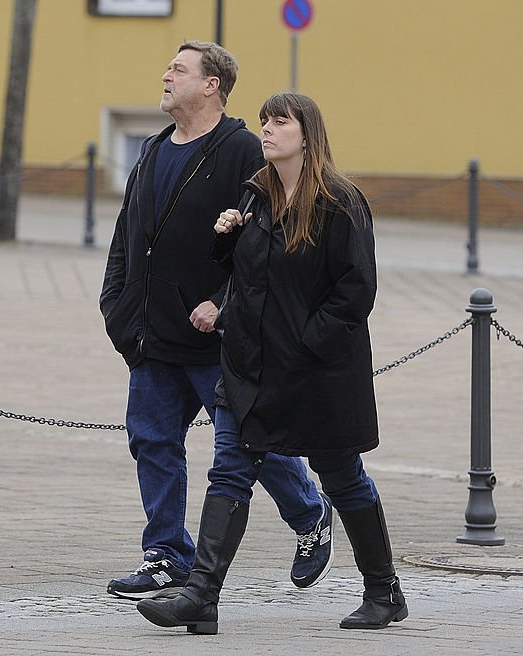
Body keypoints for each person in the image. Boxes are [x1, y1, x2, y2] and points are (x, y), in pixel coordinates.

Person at [136, 92, 408, 634]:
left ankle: (384, 592)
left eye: (279, 122)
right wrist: (226, 241)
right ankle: (201, 596)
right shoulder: (257, 196)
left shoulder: (339, 201)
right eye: (264, 121)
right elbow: (249, 276)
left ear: (307, 134)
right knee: (231, 468)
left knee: (341, 477)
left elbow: (355, 291)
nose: (267, 129)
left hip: (316, 371)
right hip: (248, 365)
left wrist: (308, 342)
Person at [99, 43, 334, 601]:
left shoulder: (242, 151)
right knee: (152, 440)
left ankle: (311, 514)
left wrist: (222, 304)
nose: (165, 76)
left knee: (254, 443)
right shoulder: (153, 149)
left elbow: (265, 241)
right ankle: (166, 555)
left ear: (211, 85)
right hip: (151, 335)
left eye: (178, 69)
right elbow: (127, 235)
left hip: (216, 338)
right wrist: (116, 303)